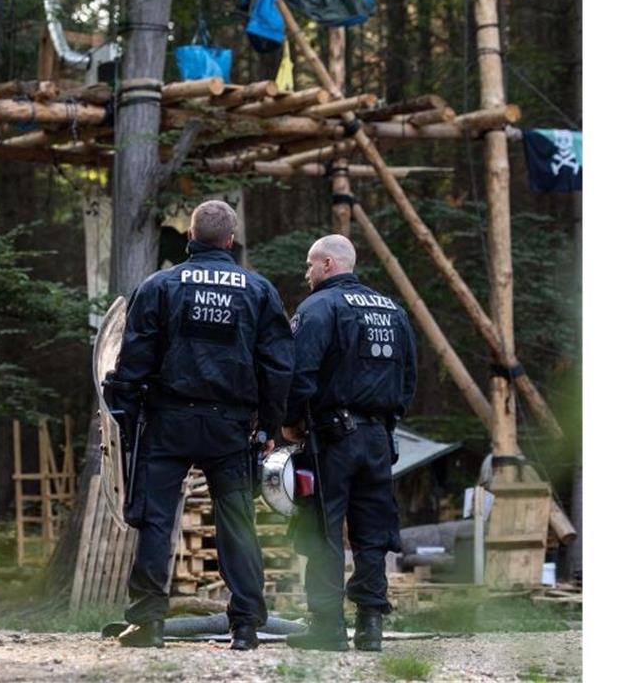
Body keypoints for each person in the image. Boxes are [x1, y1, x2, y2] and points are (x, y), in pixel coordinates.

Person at [109, 199, 294, 651]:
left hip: (167, 422)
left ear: (190, 238)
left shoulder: (159, 285)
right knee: (236, 522)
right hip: (230, 427)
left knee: (156, 520)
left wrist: (126, 417)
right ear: (230, 241)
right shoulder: (259, 290)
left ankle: (148, 623)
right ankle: (247, 624)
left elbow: (132, 360)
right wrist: (270, 426)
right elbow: (278, 366)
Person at [281, 234, 417, 652]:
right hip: (378, 439)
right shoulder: (393, 310)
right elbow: (409, 378)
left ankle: (327, 627)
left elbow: (299, 373)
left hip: (331, 441)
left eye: (309, 265)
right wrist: (385, 421)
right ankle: (370, 627)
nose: (306, 274)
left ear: (326, 264)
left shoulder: (319, 307)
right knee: (372, 533)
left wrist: (289, 423)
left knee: (322, 528)